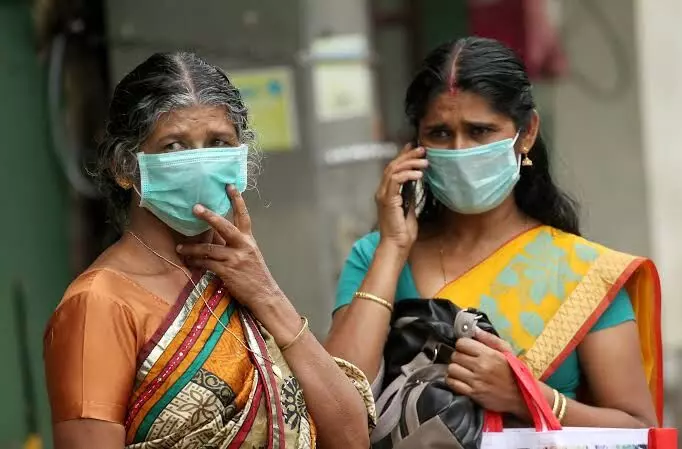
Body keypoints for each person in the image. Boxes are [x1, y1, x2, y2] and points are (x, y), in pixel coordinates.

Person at [326, 37, 662, 429]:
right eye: (439, 134)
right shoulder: (376, 256)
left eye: (480, 131)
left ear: (528, 132)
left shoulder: (583, 273)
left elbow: (640, 430)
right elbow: (336, 403)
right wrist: (393, 246)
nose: (460, 149)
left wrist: (527, 397)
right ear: (415, 143)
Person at [44, 52, 375, 449]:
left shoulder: (239, 280)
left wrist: (268, 295)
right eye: (174, 146)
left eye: (218, 142)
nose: (199, 162)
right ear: (124, 166)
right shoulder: (98, 305)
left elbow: (352, 437)